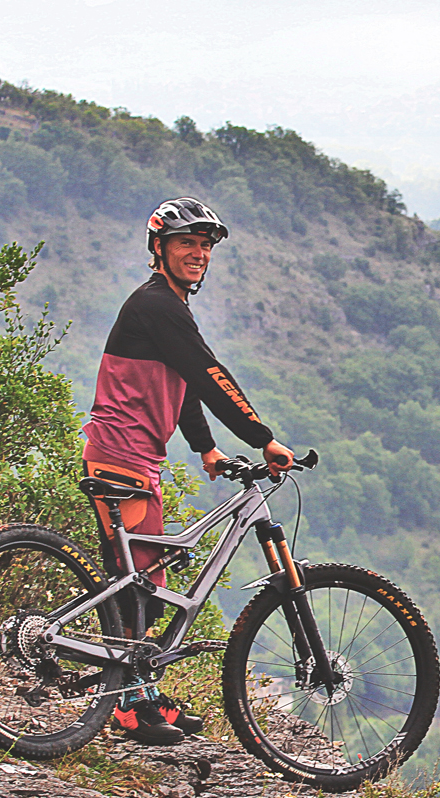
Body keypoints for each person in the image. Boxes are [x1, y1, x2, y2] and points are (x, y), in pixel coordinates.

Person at [82, 196, 294, 744]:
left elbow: (179, 386)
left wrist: (205, 449)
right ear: (160, 249)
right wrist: (261, 437)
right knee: (138, 584)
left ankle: (143, 696)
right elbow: (206, 375)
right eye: (186, 244)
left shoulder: (167, 307)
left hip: (134, 456)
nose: (198, 253)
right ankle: (128, 707)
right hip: (122, 455)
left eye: (204, 246)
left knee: (149, 576)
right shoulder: (157, 305)